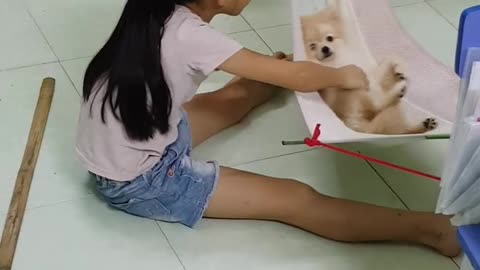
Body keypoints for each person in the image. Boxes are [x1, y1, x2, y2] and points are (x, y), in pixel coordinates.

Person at [75, 0, 460, 257]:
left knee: (236, 97)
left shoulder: (156, 13)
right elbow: (298, 77)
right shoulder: (191, 36)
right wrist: (341, 75)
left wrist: (286, 72)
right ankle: (427, 230)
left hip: (142, 138)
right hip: (144, 179)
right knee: (297, 200)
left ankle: (271, 77)